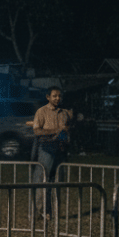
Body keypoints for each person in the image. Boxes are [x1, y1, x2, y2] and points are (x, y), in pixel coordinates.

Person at [31, 86, 74, 220]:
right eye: (54, 96)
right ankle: (39, 211)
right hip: (46, 148)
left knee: (57, 181)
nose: (57, 98)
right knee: (41, 179)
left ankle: (52, 211)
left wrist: (66, 132)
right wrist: (56, 131)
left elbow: (68, 128)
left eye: (59, 96)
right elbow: (37, 131)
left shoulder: (64, 113)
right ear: (48, 97)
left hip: (60, 149)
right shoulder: (41, 111)